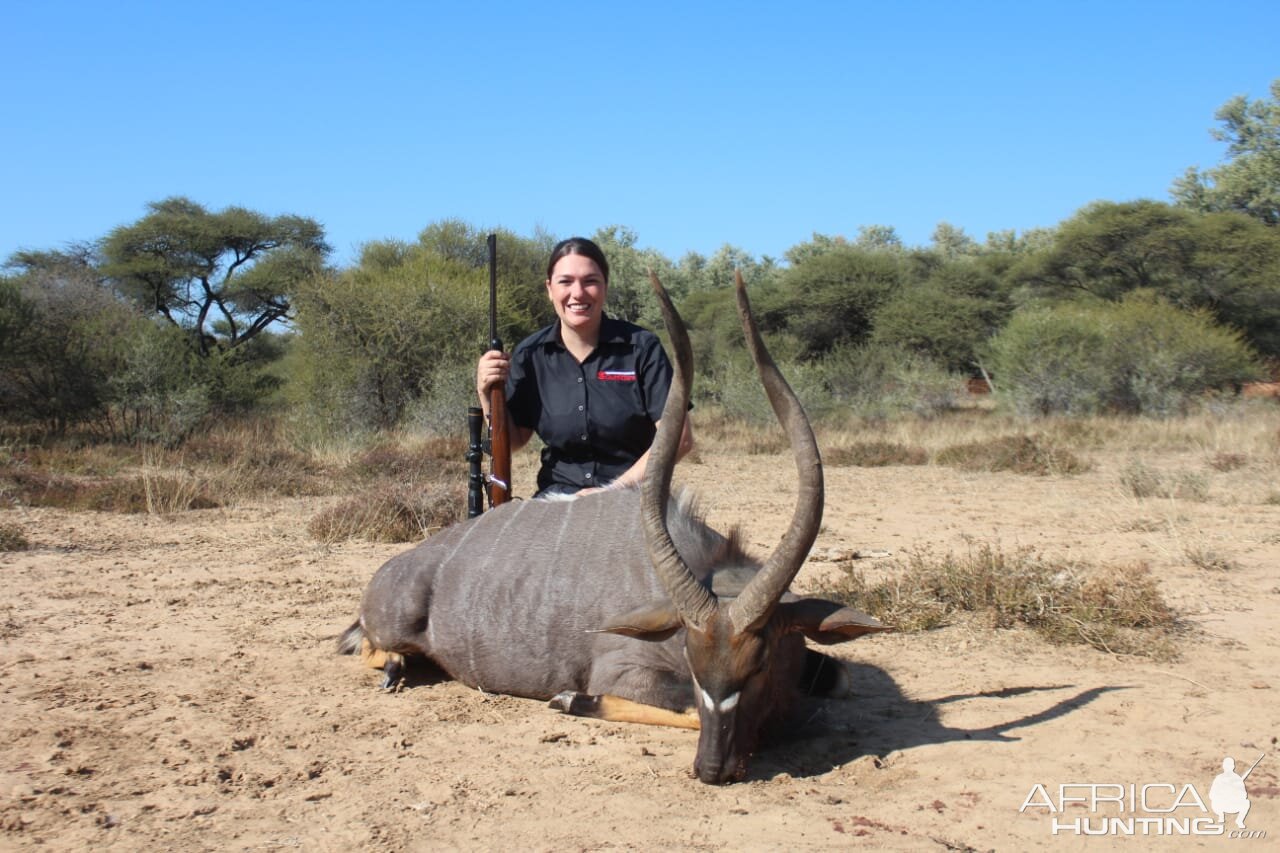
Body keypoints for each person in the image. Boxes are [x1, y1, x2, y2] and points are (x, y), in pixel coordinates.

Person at [475, 237, 694, 498]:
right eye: (565, 282)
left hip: (633, 497)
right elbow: (513, 441)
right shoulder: (530, 354)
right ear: (549, 289)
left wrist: (610, 491)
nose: (577, 293)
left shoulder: (642, 348)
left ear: (605, 287)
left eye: (590, 281)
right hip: (558, 499)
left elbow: (680, 439)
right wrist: (487, 394)